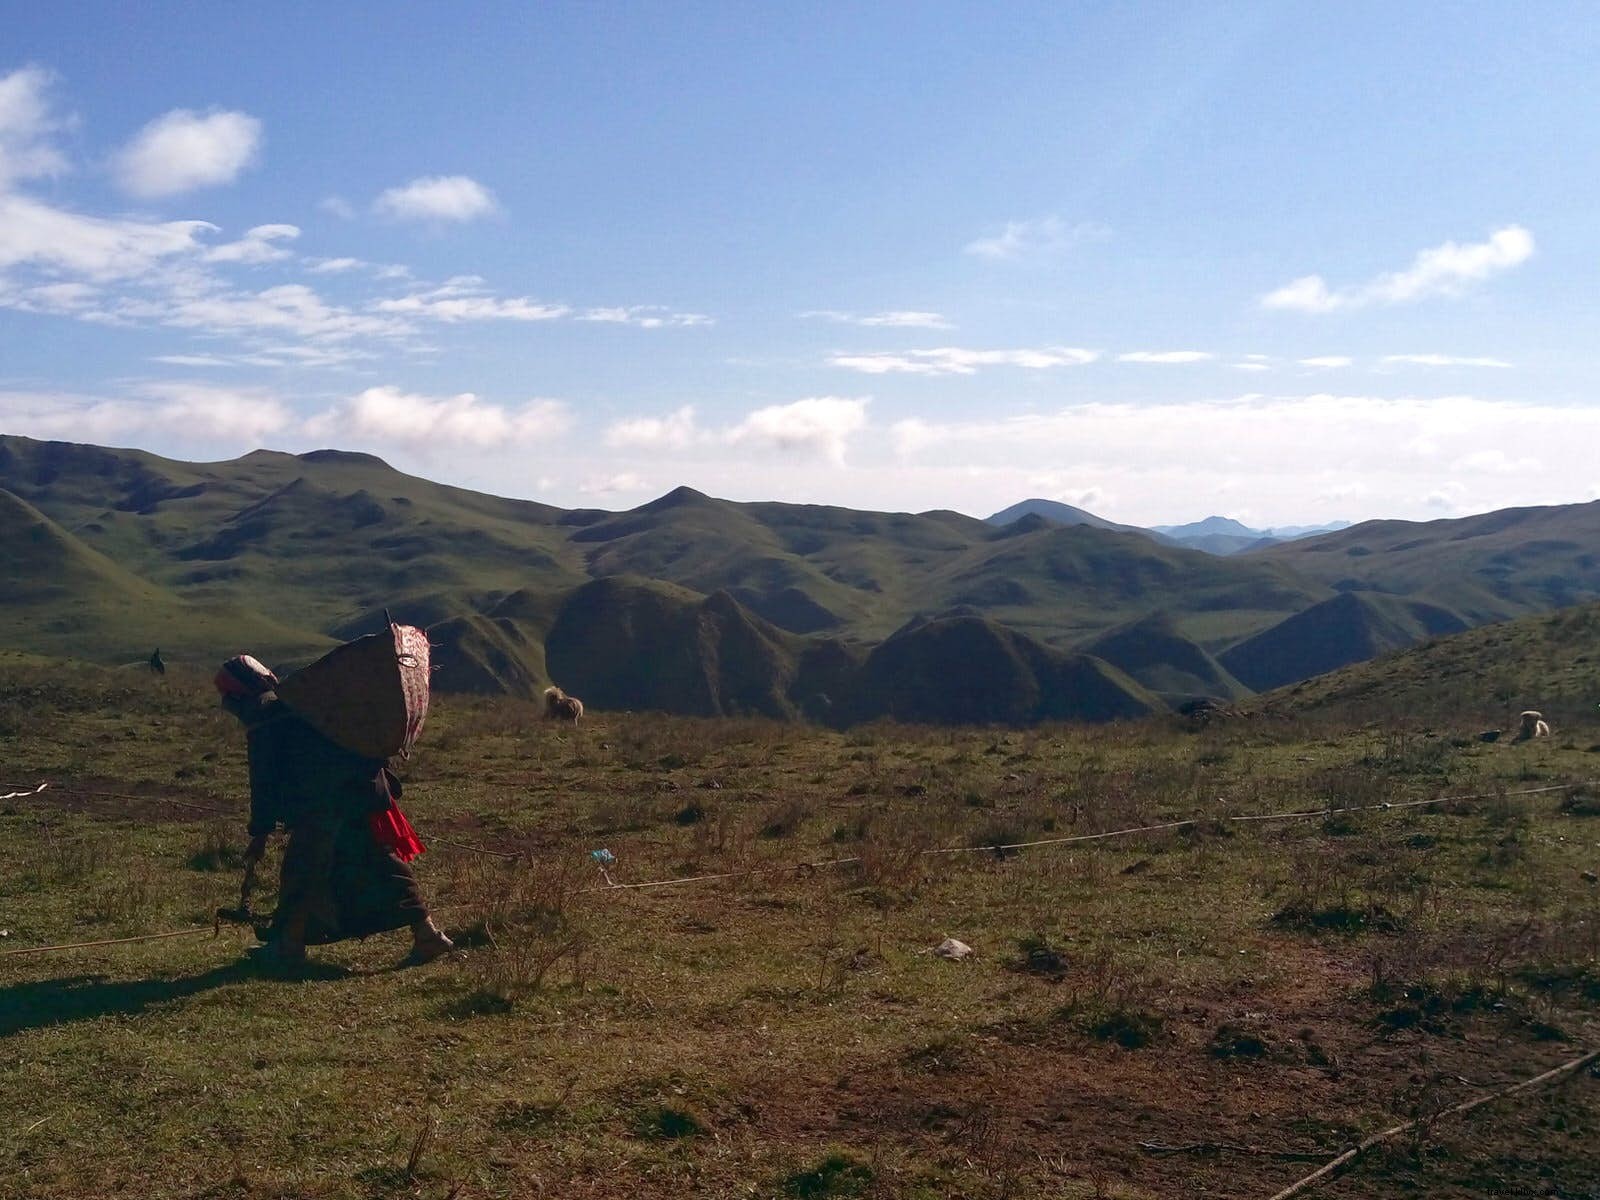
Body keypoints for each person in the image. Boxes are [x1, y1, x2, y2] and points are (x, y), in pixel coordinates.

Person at [214, 654, 455, 966]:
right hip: (364, 787)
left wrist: (260, 832)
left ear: (238, 695)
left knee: (303, 869)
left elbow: (265, 780)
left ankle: (289, 945)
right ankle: (428, 935)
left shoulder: (264, 714)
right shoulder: (299, 701)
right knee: (380, 862)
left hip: (325, 798)